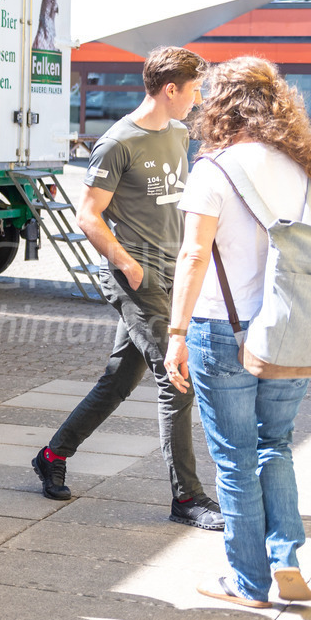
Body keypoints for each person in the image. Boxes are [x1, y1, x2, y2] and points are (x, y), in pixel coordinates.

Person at [31, 46, 224, 531]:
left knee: (119, 379)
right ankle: (188, 498)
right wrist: (126, 264)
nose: (197, 101)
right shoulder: (119, 142)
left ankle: (52, 454)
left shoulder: (179, 133)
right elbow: (88, 214)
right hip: (135, 278)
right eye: (194, 90)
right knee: (175, 378)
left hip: (172, 274)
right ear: (169, 89)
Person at [164, 57, 311, 608]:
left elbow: (194, 253)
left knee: (234, 457)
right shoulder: (301, 167)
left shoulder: (213, 169)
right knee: (274, 444)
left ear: (221, 104)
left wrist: (175, 333)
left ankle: (247, 582)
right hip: (288, 326)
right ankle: (285, 559)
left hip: (219, 328)